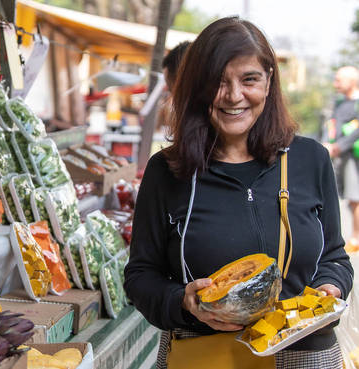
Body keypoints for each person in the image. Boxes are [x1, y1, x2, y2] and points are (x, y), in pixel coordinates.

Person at [124, 16, 353, 369]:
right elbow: (140, 277)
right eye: (218, 82)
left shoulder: (310, 160)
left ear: (269, 81)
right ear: (198, 88)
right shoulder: (167, 171)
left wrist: (330, 288)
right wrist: (183, 303)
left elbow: (335, 258)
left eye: (250, 79)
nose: (234, 96)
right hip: (203, 357)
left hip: (307, 356)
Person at [323, 66, 359, 251]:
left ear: (351, 81)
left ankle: (356, 239)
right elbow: (332, 126)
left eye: (339, 80)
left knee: (355, 197)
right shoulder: (339, 103)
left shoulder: (357, 102)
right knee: (347, 197)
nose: (335, 83)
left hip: (353, 155)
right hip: (340, 156)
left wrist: (338, 146)